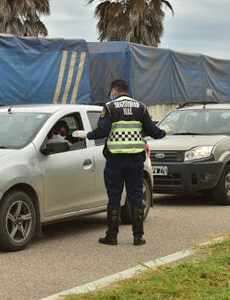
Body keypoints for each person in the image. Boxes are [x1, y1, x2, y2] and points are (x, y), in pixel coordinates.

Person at [72, 79, 170, 246]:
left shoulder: (109, 107)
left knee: (114, 196)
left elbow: (102, 131)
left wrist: (85, 135)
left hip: (115, 160)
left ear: (115, 91)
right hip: (135, 160)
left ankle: (112, 236)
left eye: (111, 92)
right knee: (136, 195)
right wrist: (164, 131)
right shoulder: (141, 107)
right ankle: (138, 237)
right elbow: (153, 132)